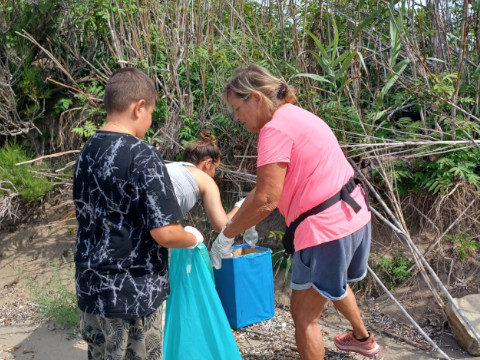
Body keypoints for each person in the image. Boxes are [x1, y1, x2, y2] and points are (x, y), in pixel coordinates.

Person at [211, 64, 380, 359]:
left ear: (256, 98)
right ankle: (362, 338)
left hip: (324, 231)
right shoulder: (297, 116)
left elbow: (266, 200)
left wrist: (228, 234)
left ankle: (359, 339)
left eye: (238, 108)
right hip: (353, 216)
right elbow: (268, 187)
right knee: (331, 284)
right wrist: (240, 212)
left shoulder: (273, 130)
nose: (236, 118)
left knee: (304, 317)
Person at [73, 67, 203, 360]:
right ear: (139, 107)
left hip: (91, 288)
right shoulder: (142, 154)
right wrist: (192, 237)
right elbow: (166, 233)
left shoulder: (87, 150)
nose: (150, 121)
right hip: (133, 294)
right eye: (151, 113)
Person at [165, 130, 244, 230]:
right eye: (215, 168)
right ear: (208, 163)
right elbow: (223, 227)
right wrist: (240, 206)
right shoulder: (205, 179)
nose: (214, 174)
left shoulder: (171, 167)